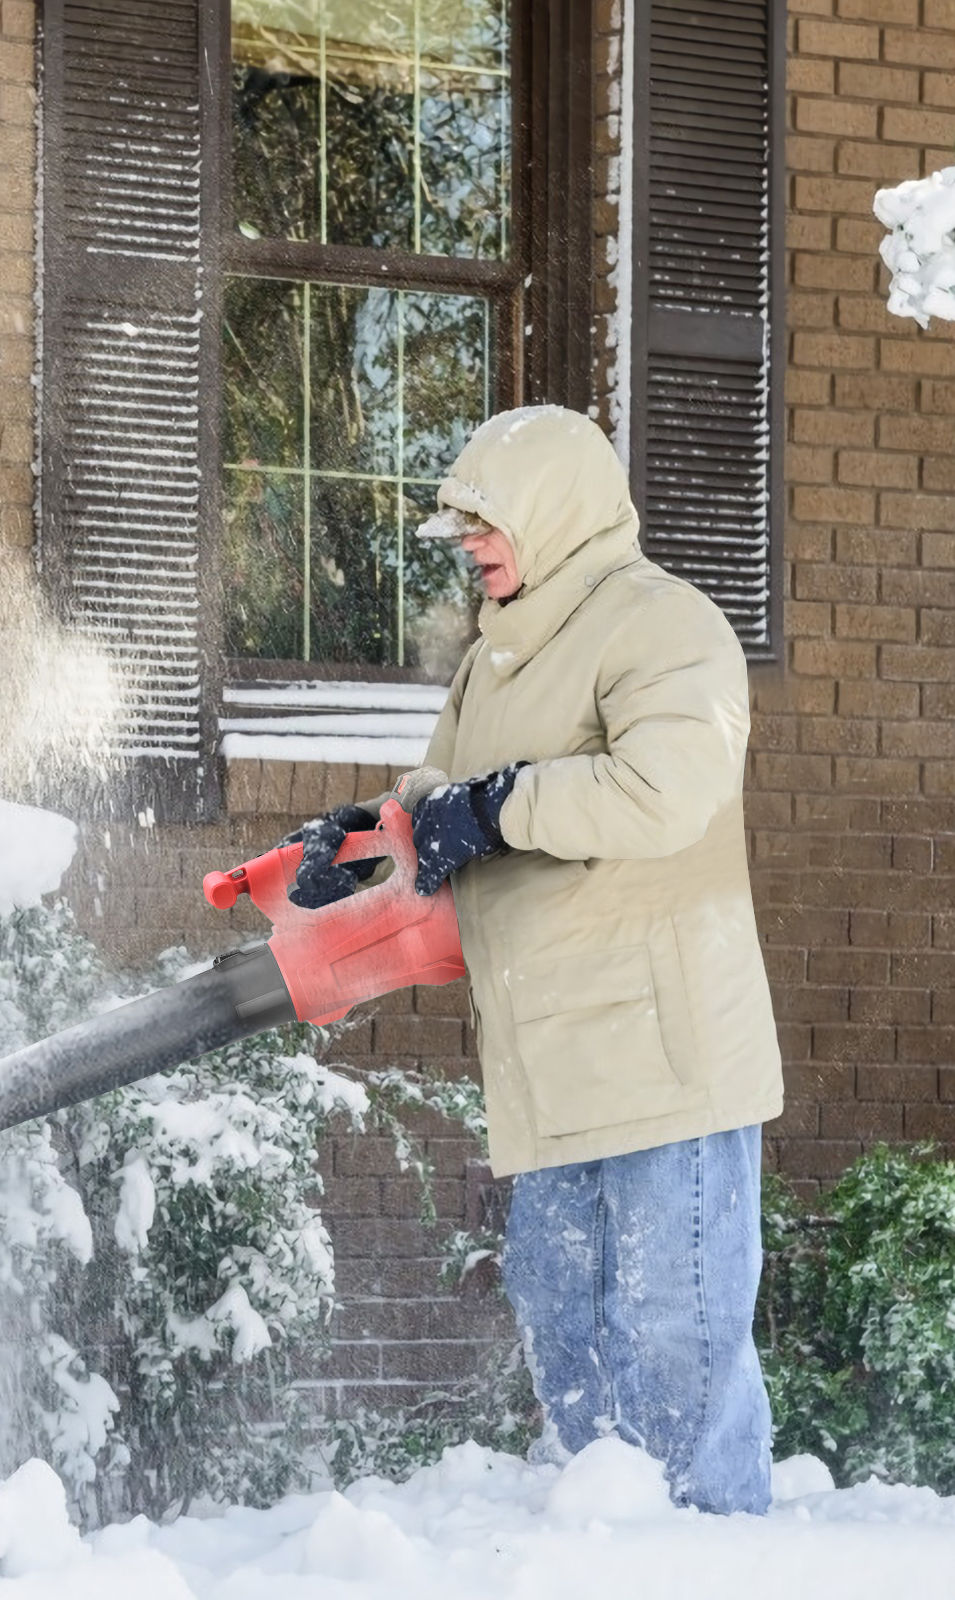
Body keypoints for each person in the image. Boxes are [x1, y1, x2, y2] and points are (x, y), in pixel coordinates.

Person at [285, 405, 784, 1515]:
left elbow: (665, 789)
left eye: (483, 521)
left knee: (676, 1344)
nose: (467, 544)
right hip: (546, 1066)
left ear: (552, 511)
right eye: (459, 525)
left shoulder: (664, 626)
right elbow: (441, 803)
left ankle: (715, 1563)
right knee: (566, 1328)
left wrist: (499, 805)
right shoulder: (496, 657)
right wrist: (358, 840)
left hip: (665, 1061)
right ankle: (605, 1551)